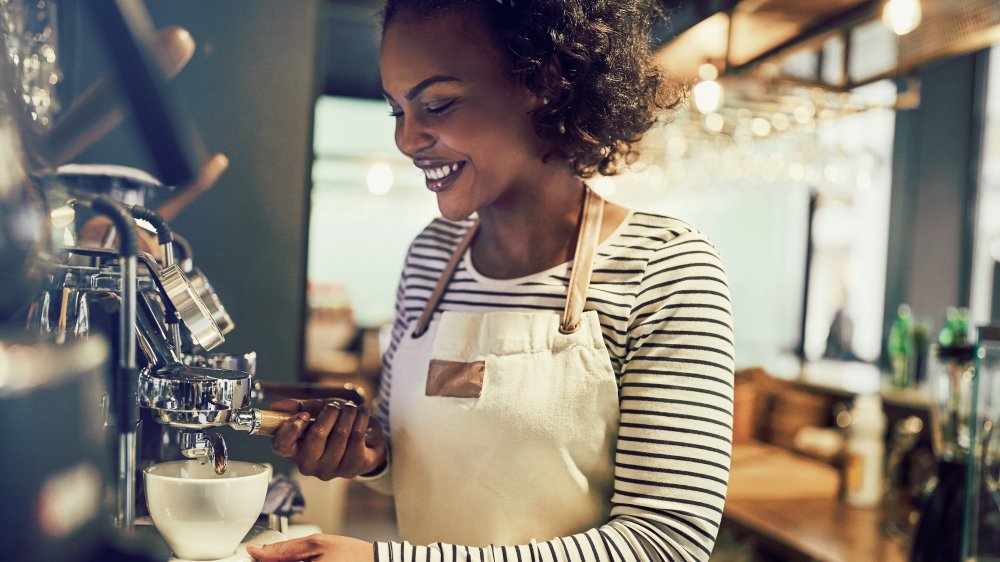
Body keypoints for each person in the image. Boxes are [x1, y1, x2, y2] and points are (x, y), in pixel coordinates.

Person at [248, 1, 735, 560]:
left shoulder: (665, 267)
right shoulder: (431, 257)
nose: (408, 140)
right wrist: (366, 454)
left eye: (438, 104)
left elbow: (668, 543)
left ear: (545, 81)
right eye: (397, 112)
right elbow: (409, 454)